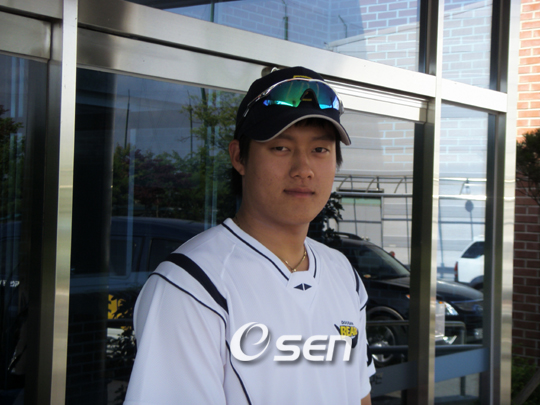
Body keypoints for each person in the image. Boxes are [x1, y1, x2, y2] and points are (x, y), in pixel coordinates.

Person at [124, 66, 375, 404]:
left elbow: (359, 396)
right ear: (239, 157)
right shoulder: (191, 286)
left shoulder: (342, 274)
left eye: (320, 150)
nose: (303, 169)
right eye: (281, 148)